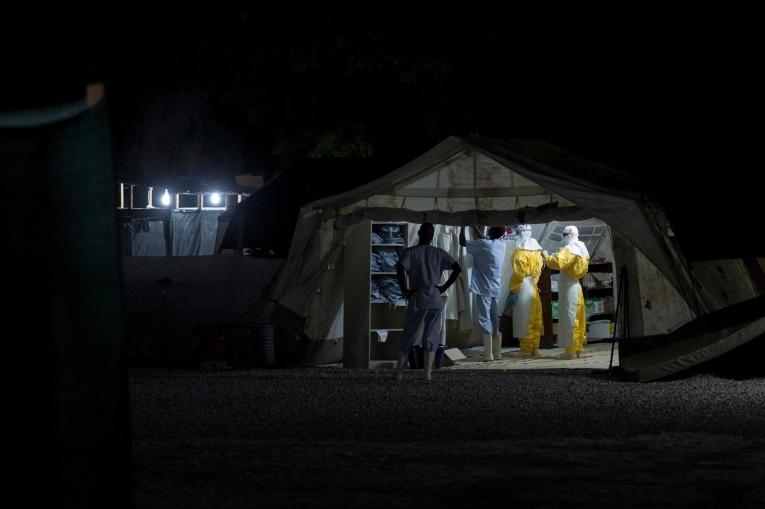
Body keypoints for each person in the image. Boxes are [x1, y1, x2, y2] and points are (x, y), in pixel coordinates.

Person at [395, 222, 462, 380]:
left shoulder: (410, 252)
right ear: (432, 236)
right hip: (434, 296)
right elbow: (457, 268)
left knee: (410, 333)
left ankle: (398, 373)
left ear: (419, 233)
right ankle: (427, 374)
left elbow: (399, 268)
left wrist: (405, 290)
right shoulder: (438, 253)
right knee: (432, 334)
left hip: (418, 296)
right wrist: (444, 286)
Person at [459, 225, 506, 361]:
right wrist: (476, 229)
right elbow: (486, 240)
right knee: (495, 319)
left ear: (490, 231)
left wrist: (462, 227)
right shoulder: (500, 245)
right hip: (495, 288)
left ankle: (488, 354)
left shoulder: (484, 244)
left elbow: (463, 242)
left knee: (485, 319)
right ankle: (497, 353)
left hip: (483, 288)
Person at [543, 225, 590, 359]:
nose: (563, 238)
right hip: (576, 284)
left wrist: (546, 256)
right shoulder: (582, 247)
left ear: (568, 235)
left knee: (569, 317)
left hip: (568, 286)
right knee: (578, 317)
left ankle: (570, 351)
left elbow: (557, 262)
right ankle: (578, 348)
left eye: (564, 235)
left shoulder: (570, 249)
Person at [507, 224, 544, 357]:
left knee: (524, 317)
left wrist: (513, 289)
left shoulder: (519, 252)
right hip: (533, 286)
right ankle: (535, 347)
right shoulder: (537, 250)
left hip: (523, 286)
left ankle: (526, 349)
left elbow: (518, 274)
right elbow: (539, 270)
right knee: (534, 317)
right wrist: (534, 281)